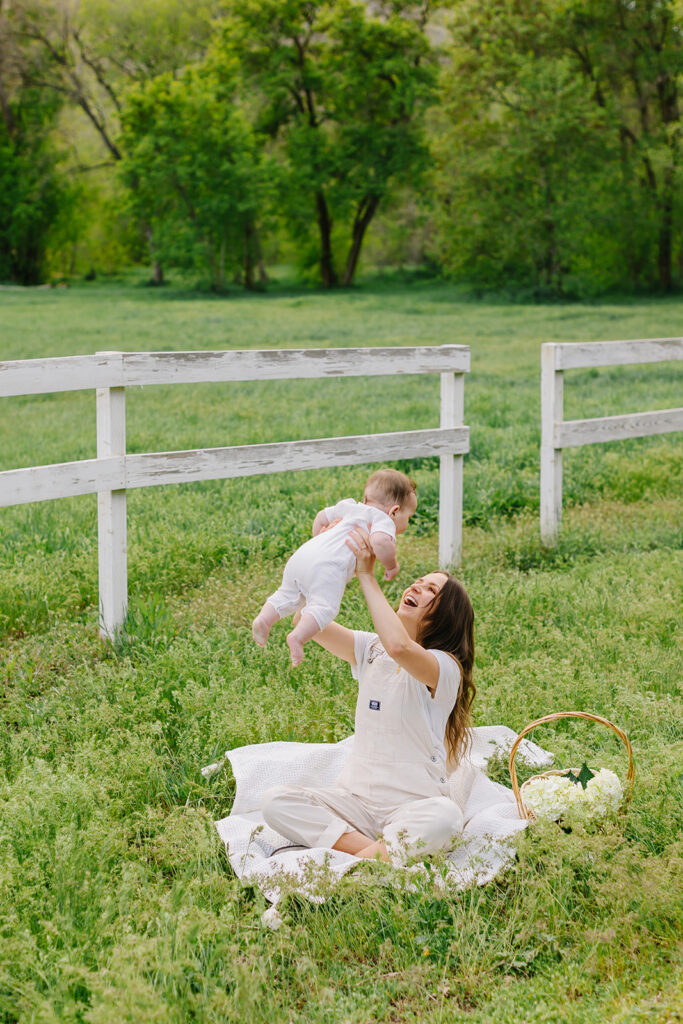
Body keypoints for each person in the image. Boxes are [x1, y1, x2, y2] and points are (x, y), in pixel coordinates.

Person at [260, 527, 476, 864]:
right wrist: (330, 557)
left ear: (445, 616)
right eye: (417, 581)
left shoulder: (445, 668)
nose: (416, 586)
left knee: (446, 817)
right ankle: (376, 855)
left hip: (412, 807)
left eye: (430, 589)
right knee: (275, 802)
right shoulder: (370, 648)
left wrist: (367, 576)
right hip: (355, 804)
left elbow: (399, 646)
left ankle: (358, 856)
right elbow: (305, 615)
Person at [252, 468, 418, 666]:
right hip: (327, 567)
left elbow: (321, 518)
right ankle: (298, 637)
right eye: (409, 517)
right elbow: (381, 543)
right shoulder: (383, 520)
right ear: (394, 511)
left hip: (303, 554)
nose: (406, 523)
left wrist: (319, 540)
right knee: (323, 606)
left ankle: (263, 619)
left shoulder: (349, 506)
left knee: (287, 593)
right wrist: (391, 565)